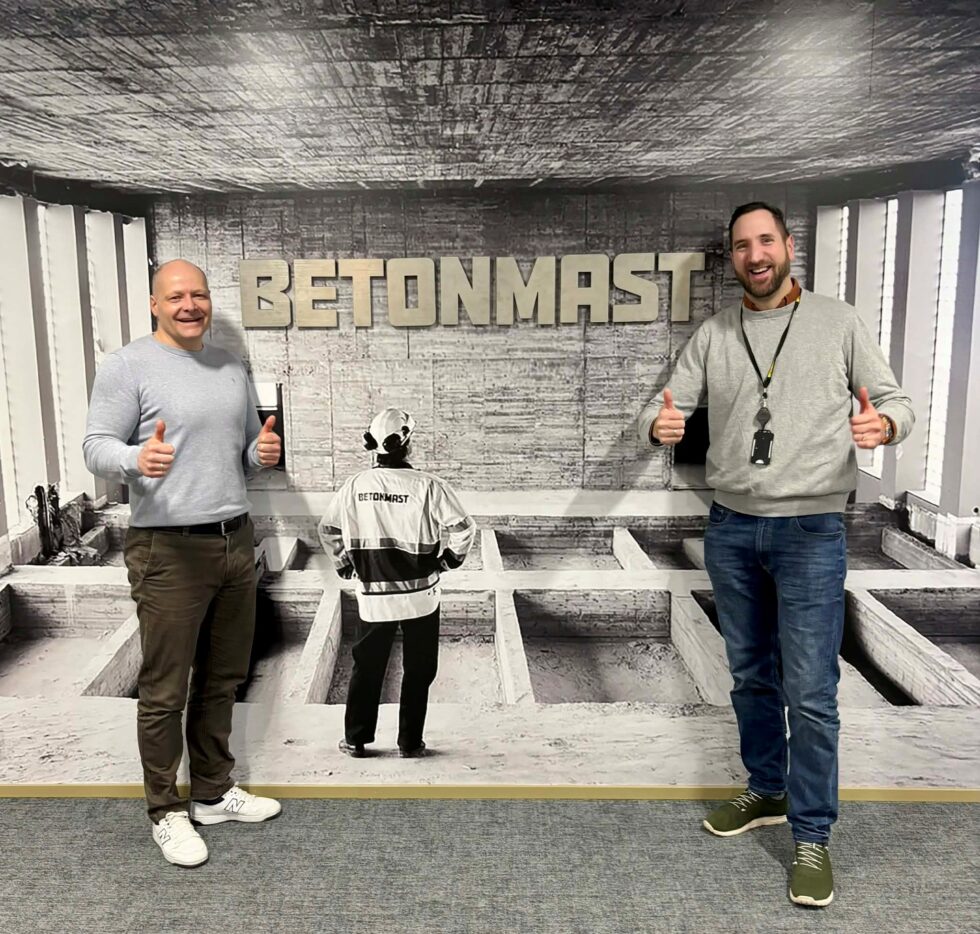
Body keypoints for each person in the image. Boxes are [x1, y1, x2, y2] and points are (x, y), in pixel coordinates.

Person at [637, 202, 914, 908]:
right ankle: (766, 789)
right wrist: (657, 425)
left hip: (811, 530)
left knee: (811, 692)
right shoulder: (716, 333)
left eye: (766, 241)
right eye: (742, 246)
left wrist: (884, 424)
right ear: (733, 257)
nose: (755, 255)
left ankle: (812, 835)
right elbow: (663, 407)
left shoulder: (838, 322)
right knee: (750, 676)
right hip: (732, 527)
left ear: (788, 247)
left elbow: (895, 401)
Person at [83, 259, 283, 867]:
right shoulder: (127, 365)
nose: (189, 305)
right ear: (155, 304)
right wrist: (135, 459)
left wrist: (259, 453)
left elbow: (241, 454)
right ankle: (166, 811)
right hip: (167, 548)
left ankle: (213, 793)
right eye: (175, 297)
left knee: (223, 678)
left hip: (235, 539)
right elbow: (95, 446)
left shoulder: (230, 365)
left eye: (198, 295)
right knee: (165, 690)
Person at [318, 408, 476, 758]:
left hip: (374, 597)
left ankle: (356, 739)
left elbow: (327, 529)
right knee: (419, 669)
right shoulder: (430, 486)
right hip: (422, 597)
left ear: (373, 446)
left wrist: (345, 566)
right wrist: (449, 561)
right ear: (407, 444)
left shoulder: (355, 486)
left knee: (368, 666)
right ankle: (409, 743)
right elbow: (465, 530)